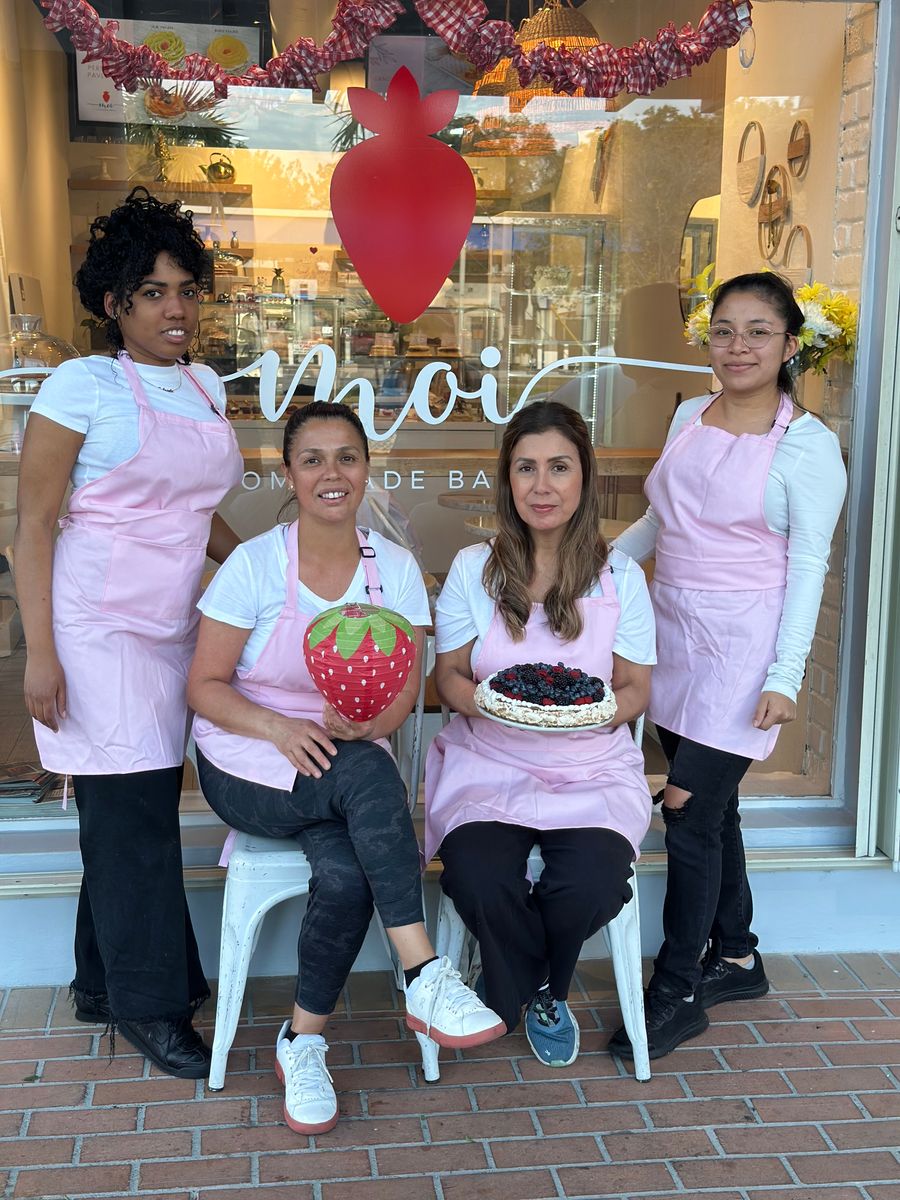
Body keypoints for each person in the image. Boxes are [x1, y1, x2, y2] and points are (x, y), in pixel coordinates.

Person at [187, 401, 504, 1135]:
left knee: (347, 866)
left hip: (344, 760)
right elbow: (203, 687)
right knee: (369, 777)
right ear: (289, 475)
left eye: (347, 458)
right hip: (247, 760)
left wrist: (371, 723)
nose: (332, 474)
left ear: (367, 469)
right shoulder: (254, 564)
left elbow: (403, 699)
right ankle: (424, 974)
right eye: (313, 459)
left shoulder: (392, 570)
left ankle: (301, 1042)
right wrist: (278, 725)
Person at [15, 187, 243, 1078]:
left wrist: (263, 561)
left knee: (125, 815)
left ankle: (101, 980)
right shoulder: (83, 385)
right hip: (94, 630)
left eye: (186, 288)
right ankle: (152, 1007)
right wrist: (41, 651)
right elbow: (32, 525)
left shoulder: (205, 385)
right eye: (152, 291)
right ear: (114, 303)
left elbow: (197, 512)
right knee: (133, 817)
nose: (176, 307)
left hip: (174, 626)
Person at [609, 271, 848, 1060]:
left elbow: (810, 567)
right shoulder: (687, 413)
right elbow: (659, 517)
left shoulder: (807, 447)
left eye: (757, 332)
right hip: (674, 640)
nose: (737, 347)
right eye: (723, 330)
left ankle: (677, 988)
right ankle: (738, 954)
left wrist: (786, 676)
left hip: (746, 657)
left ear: (788, 344)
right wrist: (598, 565)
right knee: (716, 812)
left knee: (685, 810)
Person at [424, 400, 655, 1068]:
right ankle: (541, 990)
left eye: (559, 467)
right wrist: (501, 708)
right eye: (526, 468)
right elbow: (450, 679)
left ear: (584, 476)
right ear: (507, 479)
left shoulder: (621, 577)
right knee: (478, 875)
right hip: (488, 762)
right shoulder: (476, 568)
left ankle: (515, 990)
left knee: (591, 883)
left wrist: (576, 715)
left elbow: (636, 688)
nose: (542, 485)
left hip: (592, 769)